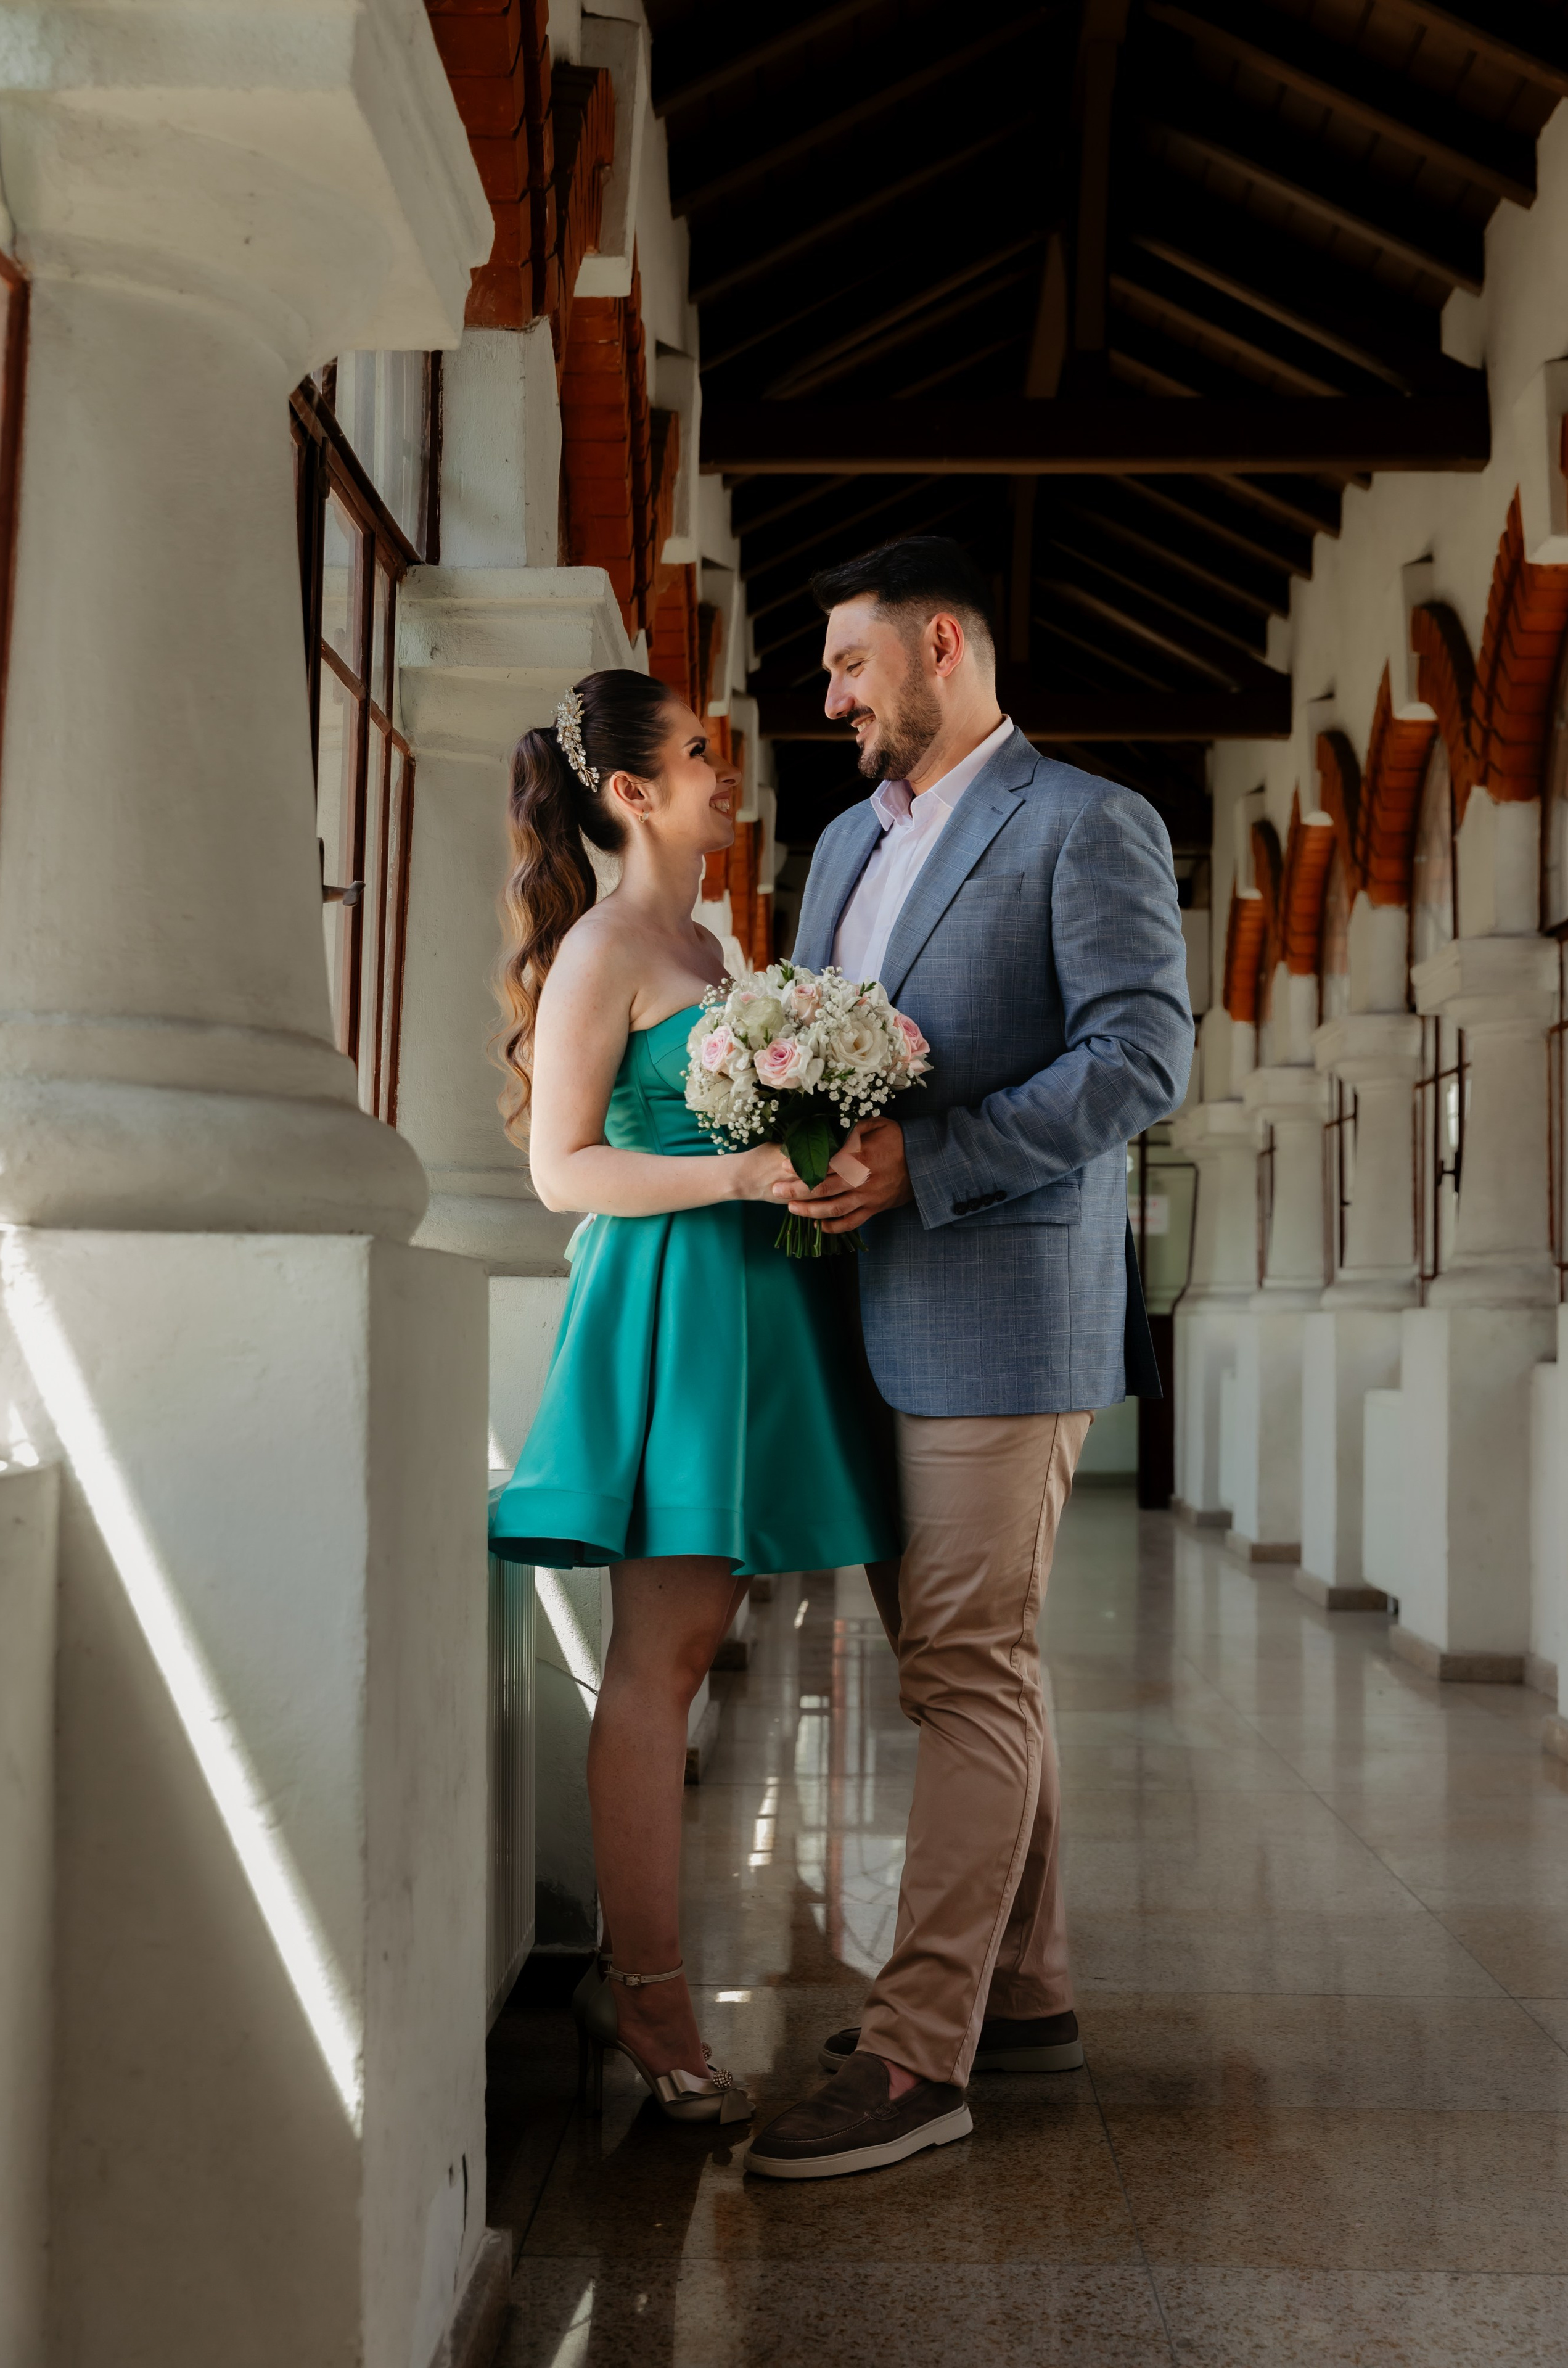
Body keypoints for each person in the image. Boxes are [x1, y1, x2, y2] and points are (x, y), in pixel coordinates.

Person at [744, 536, 1193, 2181]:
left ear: (943, 646)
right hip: (856, 1304)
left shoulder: (1085, 822)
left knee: (962, 1665)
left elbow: (1142, 1057)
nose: (832, 695)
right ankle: (1029, 1984)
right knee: (970, 1662)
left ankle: (918, 2057)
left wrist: (927, 1166)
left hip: (1005, 1305)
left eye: (852, 664)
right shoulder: (843, 844)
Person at [486, 669, 899, 2128]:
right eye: (704, 759)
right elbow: (561, 1170)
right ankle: (649, 2002)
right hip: (666, 1314)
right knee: (660, 1661)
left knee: (691, 1639)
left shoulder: (712, 943)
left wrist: (817, 1158)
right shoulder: (605, 948)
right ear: (633, 792)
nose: (729, 780)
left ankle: (640, 1981)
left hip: (753, 1307)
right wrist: (735, 1173)